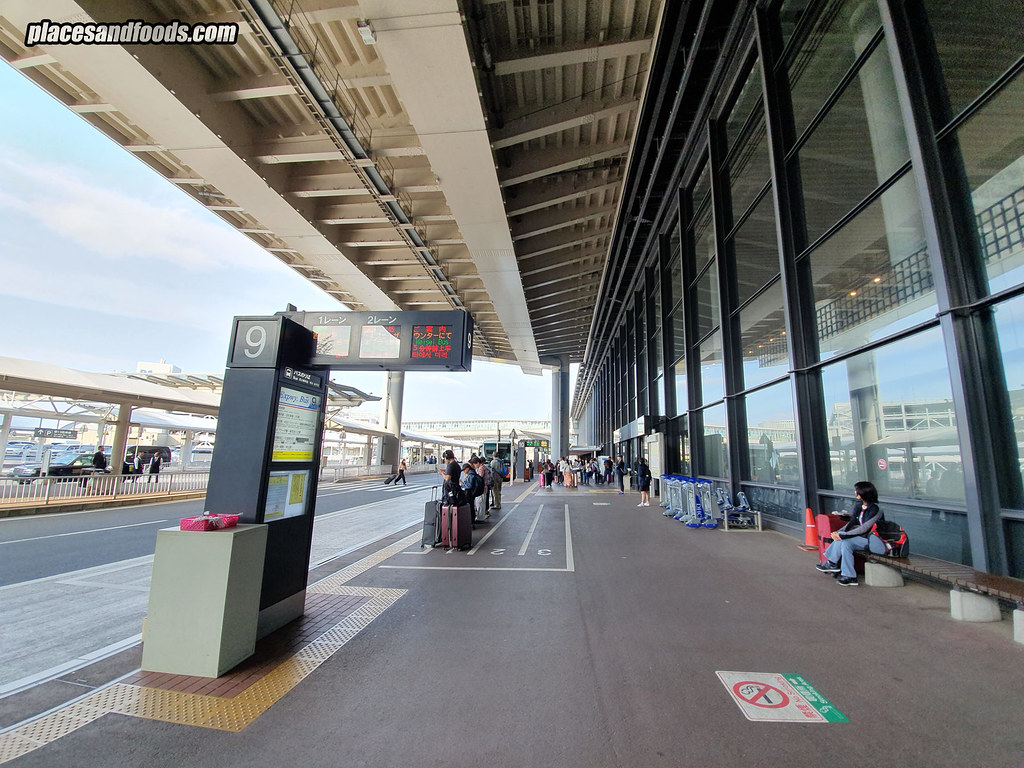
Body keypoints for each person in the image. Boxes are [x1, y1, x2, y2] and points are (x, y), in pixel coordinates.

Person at [815, 480, 888, 586]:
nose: (855, 492)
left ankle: (833, 565)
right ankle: (848, 576)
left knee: (845, 541)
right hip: (860, 538)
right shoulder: (859, 506)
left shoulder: (876, 510)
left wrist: (843, 535)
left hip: (872, 540)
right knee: (845, 543)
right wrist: (838, 532)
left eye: (857, 490)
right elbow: (851, 523)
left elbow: (864, 528)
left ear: (864, 493)